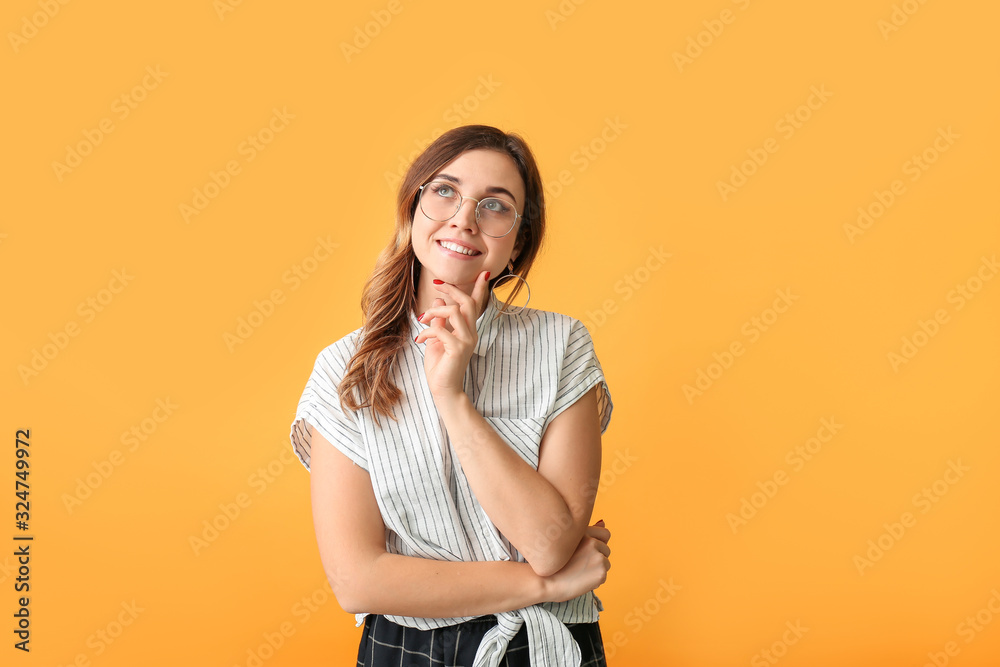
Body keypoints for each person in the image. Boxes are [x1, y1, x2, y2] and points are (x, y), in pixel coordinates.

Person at [289, 124, 614, 666]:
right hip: (409, 651)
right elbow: (357, 580)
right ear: (413, 208)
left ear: (517, 242)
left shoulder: (561, 345)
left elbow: (551, 544)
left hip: (545, 648)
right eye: (445, 191)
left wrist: (453, 398)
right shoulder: (343, 371)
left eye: (495, 205)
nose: (464, 218)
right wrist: (542, 586)